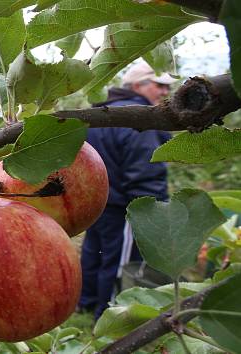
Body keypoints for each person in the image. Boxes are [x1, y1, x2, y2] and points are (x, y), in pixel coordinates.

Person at [78, 61, 176, 320]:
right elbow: (145, 171)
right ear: (137, 85)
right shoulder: (140, 118)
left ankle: (86, 302)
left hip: (95, 202)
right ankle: (108, 311)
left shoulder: (100, 114)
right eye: (160, 85)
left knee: (94, 251)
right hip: (124, 205)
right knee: (118, 259)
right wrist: (153, 212)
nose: (165, 92)